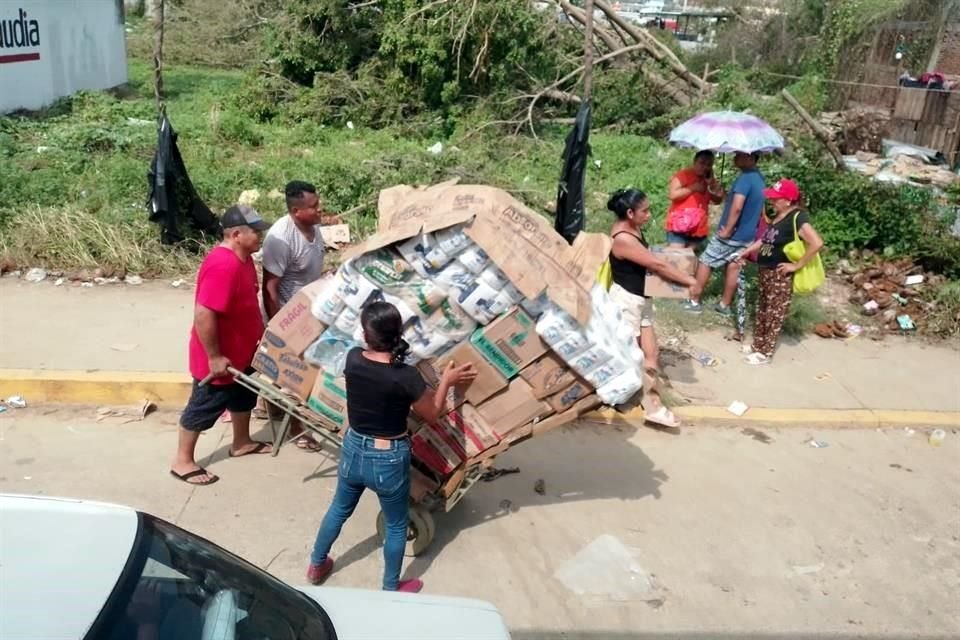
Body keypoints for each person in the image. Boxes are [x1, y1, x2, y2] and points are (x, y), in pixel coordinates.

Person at [306, 302, 476, 592]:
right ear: (398, 333)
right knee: (397, 525)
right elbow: (432, 414)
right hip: (387, 458)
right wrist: (446, 381)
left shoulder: (353, 358)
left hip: (353, 448)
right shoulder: (405, 377)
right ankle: (390, 588)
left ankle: (316, 564)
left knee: (338, 509)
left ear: (366, 334)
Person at [170, 205, 273, 486]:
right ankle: (183, 460)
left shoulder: (245, 259)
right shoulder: (222, 265)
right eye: (256, 231)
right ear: (237, 234)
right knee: (203, 408)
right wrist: (214, 356)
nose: (260, 236)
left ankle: (241, 442)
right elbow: (204, 314)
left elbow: (248, 303)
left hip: (243, 352)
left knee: (244, 398)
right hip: (218, 359)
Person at [607, 189, 703, 428]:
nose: (649, 215)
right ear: (630, 213)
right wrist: (689, 280)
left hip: (642, 300)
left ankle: (633, 397)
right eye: (645, 211)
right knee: (635, 357)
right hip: (627, 302)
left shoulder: (633, 229)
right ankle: (651, 406)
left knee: (651, 354)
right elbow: (656, 264)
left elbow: (652, 257)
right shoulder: (622, 238)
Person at [261, 180, 341, 451]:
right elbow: (269, 286)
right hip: (289, 313)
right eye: (314, 206)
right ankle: (297, 429)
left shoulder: (313, 226)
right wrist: (278, 328)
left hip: (312, 307)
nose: (320, 210)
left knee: (288, 372)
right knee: (296, 373)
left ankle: (271, 407)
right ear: (297, 212)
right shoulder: (281, 239)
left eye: (318, 204)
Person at [734, 179, 823, 365]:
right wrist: (747, 251)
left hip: (780, 274)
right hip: (765, 271)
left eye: (776, 199)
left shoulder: (798, 218)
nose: (772, 202)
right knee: (763, 308)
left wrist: (797, 265)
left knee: (774, 313)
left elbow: (817, 243)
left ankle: (765, 353)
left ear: (788, 200)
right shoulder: (778, 216)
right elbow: (766, 240)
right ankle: (758, 345)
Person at [684, 151, 765, 315]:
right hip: (747, 234)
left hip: (732, 234)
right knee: (734, 265)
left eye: (739, 155)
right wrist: (722, 193)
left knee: (706, 260)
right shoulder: (758, 178)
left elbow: (737, 207)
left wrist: (727, 229)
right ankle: (724, 305)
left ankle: (694, 300)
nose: (735, 157)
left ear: (749, 157)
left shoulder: (745, 179)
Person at [665, 150, 724, 249]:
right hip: (679, 224)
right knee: (677, 256)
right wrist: (693, 188)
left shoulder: (709, 180)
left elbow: (717, 201)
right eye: (702, 163)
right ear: (694, 162)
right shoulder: (683, 175)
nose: (705, 167)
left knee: (690, 257)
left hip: (698, 227)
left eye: (709, 165)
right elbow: (673, 195)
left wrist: (712, 186)